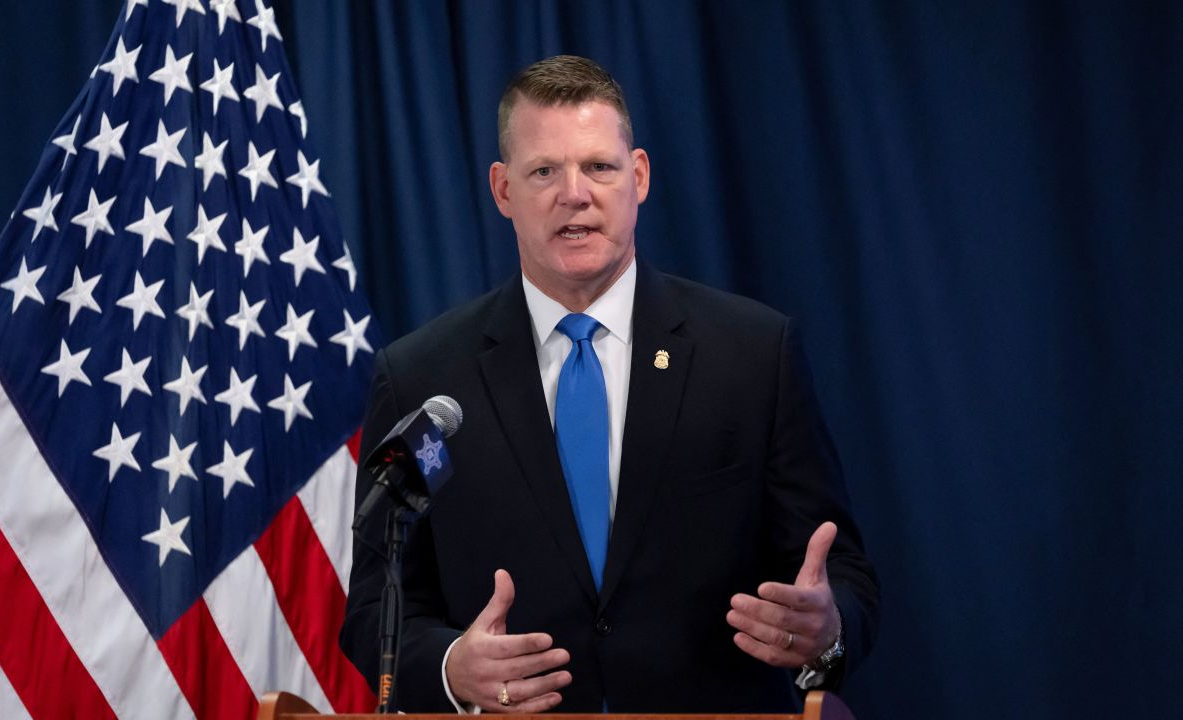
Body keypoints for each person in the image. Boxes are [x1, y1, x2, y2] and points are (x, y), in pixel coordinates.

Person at [340, 55, 879, 713]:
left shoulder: (752, 355)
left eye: (599, 166)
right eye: (544, 171)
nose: (575, 193)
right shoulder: (426, 380)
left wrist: (825, 631)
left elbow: (842, 578)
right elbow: (376, 605)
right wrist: (454, 668)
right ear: (503, 190)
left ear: (640, 176)